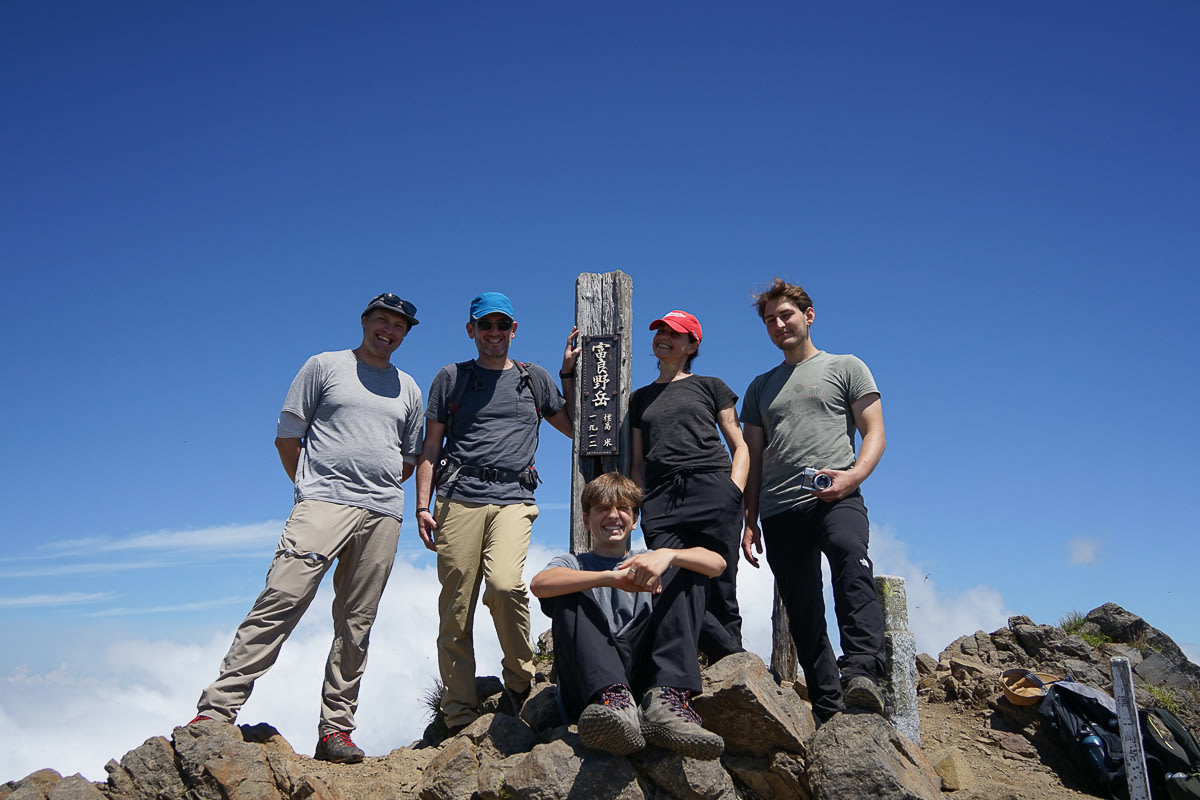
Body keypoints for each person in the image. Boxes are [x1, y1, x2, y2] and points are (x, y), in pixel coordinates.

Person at [191, 293, 425, 764]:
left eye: (398, 325)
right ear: (365, 322)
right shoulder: (324, 366)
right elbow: (287, 435)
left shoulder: (410, 389)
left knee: (357, 623)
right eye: (382, 320)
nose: (389, 330)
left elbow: (408, 457)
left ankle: (336, 730)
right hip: (322, 505)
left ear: (405, 334)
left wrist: (374, 485)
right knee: (282, 598)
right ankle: (217, 710)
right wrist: (311, 487)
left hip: (381, 512)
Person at [415, 291, 579, 734]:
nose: (493, 333)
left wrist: (567, 374)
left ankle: (520, 681)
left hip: (514, 497)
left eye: (501, 325)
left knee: (506, 586)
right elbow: (431, 446)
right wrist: (421, 505)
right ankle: (458, 712)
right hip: (458, 497)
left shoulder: (533, 378)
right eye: (484, 325)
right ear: (471, 330)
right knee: (456, 609)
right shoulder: (452, 378)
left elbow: (573, 428)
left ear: (514, 330)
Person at [740, 278, 888, 723]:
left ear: (808, 315)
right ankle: (828, 705)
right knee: (802, 607)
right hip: (779, 508)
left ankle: (863, 673)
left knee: (849, 558)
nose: (778, 324)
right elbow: (751, 457)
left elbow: (875, 432)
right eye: (769, 320)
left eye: (785, 315)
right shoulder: (760, 387)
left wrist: (853, 477)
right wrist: (749, 521)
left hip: (836, 495)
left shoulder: (846, 366)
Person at [530, 472, 726, 760]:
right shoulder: (573, 562)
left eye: (623, 509)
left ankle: (666, 699)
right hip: (590, 688)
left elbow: (717, 564)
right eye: (602, 509)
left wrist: (669, 556)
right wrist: (609, 578)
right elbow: (539, 584)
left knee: (689, 572)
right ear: (586, 520)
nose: (613, 516)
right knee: (567, 590)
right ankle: (613, 703)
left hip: (642, 673)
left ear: (635, 520)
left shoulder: (650, 559)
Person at [630, 309, 748, 662]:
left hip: (712, 487)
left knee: (722, 586)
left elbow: (739, 445)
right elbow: (638, 461)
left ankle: (734, 674)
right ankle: (726, 659)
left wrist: (733, 492)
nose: (663, 337)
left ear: (692, 344)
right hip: (661, 498)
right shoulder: (639, 398)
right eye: (660, 331)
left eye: (674, 333)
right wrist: (642, 503)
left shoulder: (710, 386)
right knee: (671, 579)